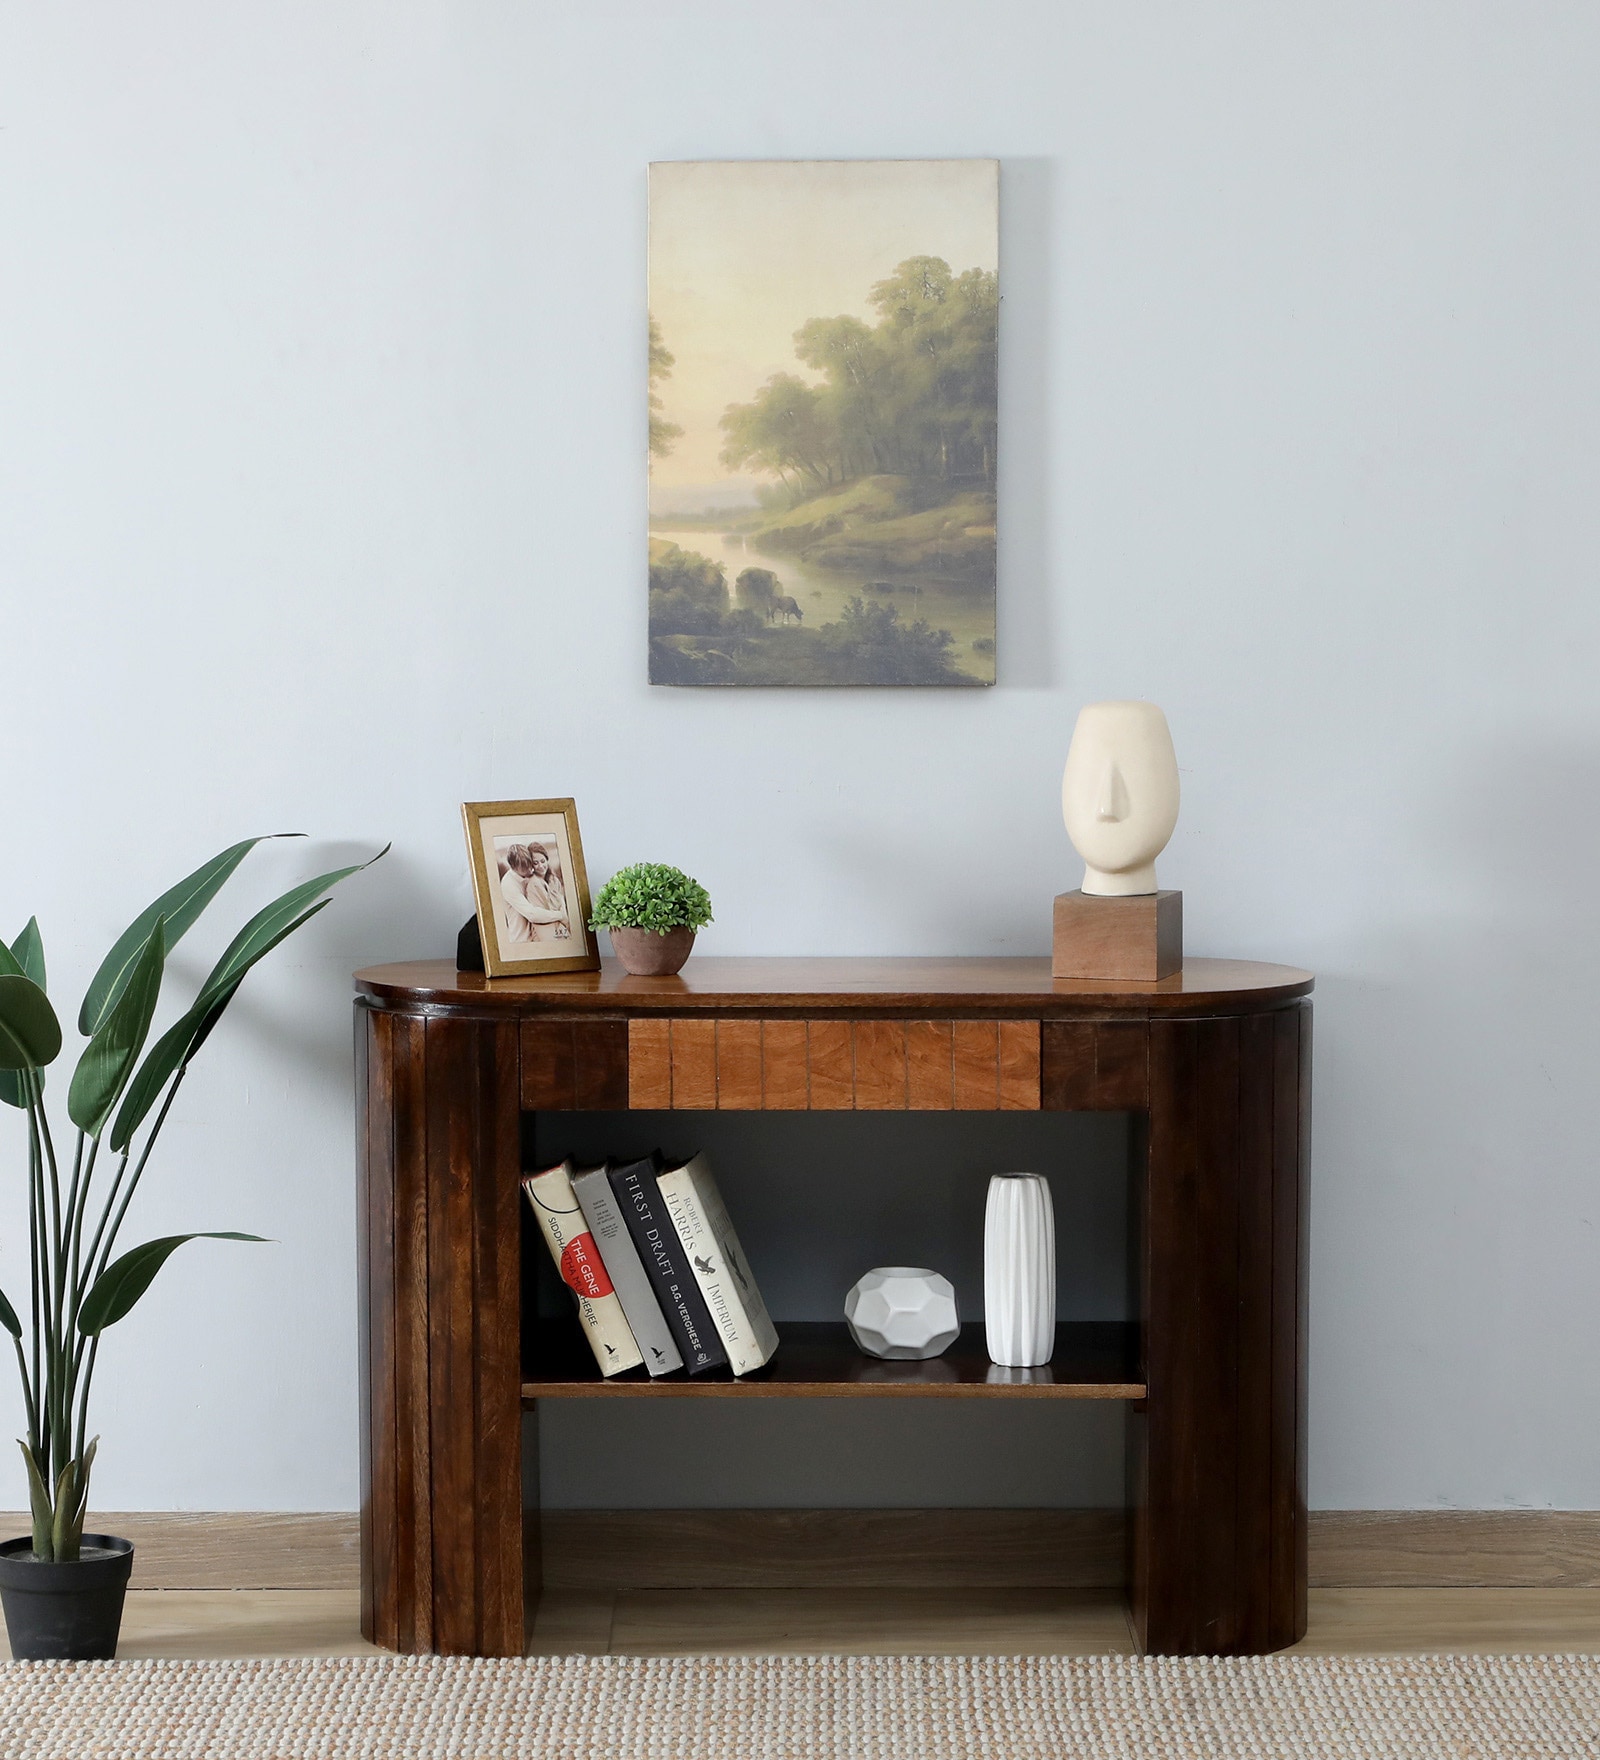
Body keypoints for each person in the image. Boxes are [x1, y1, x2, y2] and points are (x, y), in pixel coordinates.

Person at [499, 844, 570, 943]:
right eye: (524, 868)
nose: (530, 870)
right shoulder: (509, 885)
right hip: (523, 940)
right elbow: (532, 914)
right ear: (513, 867)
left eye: (530, 865)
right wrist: (560, 915)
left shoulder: (529, 876)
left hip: (538, 936)